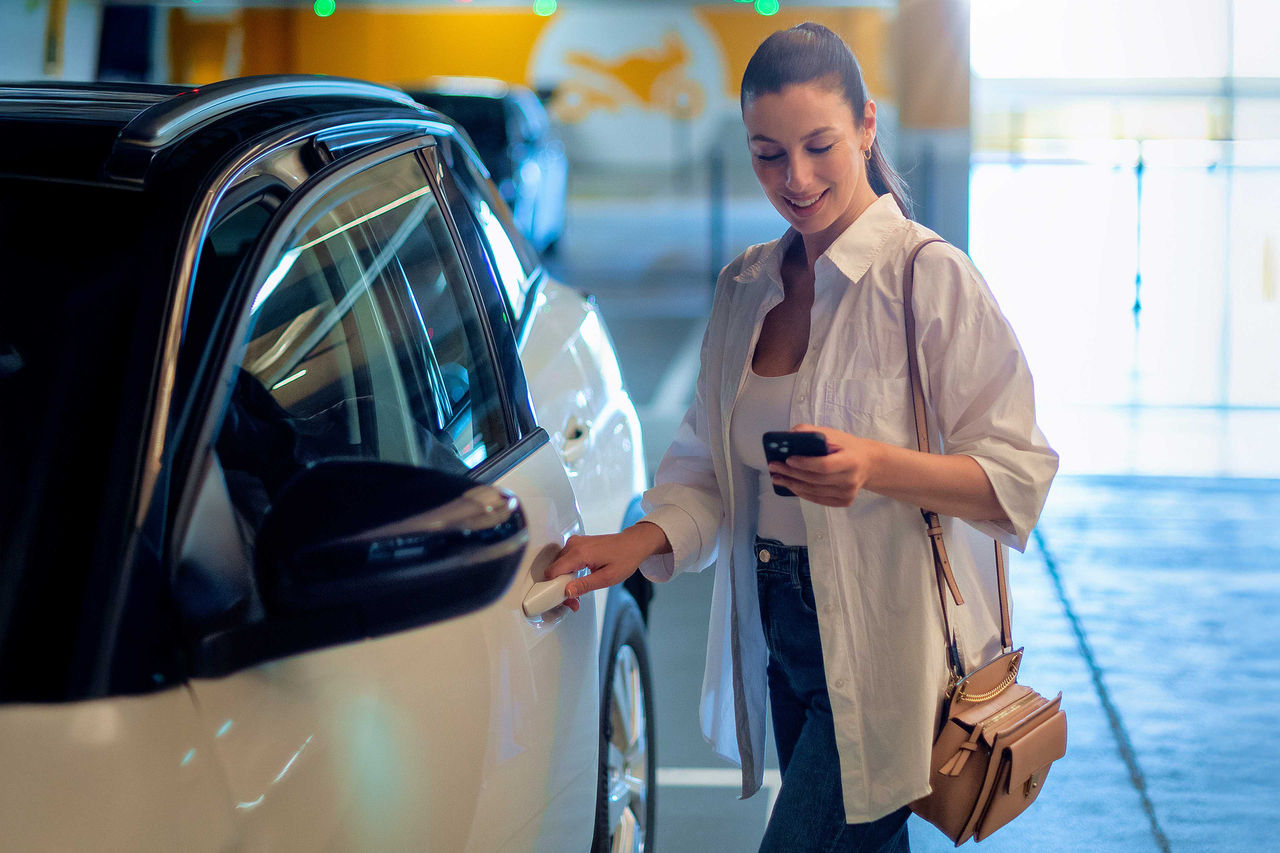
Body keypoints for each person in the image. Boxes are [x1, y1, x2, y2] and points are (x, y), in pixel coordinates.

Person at [546, 22, 1058, 853]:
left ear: (866, 126)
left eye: (820, 145)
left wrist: (877, 468)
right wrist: (634, 541)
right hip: (781, 627)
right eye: (767, 153)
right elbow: (709, 466)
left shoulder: (926, 278)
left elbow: (1019, 473)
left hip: (892, 639)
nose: (796, 177)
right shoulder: (746, 285)